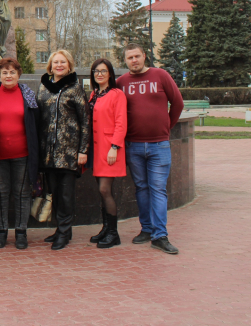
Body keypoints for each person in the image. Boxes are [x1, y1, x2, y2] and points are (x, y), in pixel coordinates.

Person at [117, 43, 184, 255]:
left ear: (144, 56)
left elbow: (178, 103)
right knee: (141, 188)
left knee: (158, 189)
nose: (134, 60)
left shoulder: (160, 75)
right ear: (125, 60)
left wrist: (166, 127)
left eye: (137, 56)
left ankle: (160, 235)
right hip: (134, 145)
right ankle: (146, 229)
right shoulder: (121, 82)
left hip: (159, 145)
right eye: (130, 58)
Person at [37, 49, 91, 250]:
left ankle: (64, 231)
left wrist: (82, 150)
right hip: (48, 153)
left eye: (63, 62)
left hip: (68, 153)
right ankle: (61, 229)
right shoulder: (43, 87)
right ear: (50, 66)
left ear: (69, 65)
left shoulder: (75, 88)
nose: (59, 65)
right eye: (55, 62)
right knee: (55, 193)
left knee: (66, 194)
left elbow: (85, 121)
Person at [0, 57, 41, 250]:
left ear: (18, 74)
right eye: (4, 72)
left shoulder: (27, 95)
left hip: (23, 154)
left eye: (12, 72)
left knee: (22, 193)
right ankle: (1, 231)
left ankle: (21, 232)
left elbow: (35, 125)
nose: (8, 75)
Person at [87, 58, 127, 249]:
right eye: (96, 71)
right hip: (96, 149)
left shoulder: (116, 94)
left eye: (103, 71)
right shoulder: (94, 94)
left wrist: (115, 147)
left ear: (110, 74)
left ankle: (114, 233)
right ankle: (105, 228)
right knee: (102, 191)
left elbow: (121, 123)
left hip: (110, 149)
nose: (99, 74)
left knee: (105, 190)